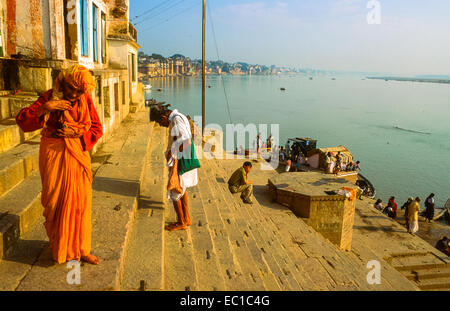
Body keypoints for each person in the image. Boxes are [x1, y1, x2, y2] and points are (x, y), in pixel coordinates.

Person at [16, 65, 103, 265]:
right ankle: (61, 246)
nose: (74, 94)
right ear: (62, 82)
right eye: (71, 88)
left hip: (77, 155)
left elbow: (97, 128)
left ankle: (82, 249)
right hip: (53, 153)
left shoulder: (84, 100)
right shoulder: (49, 97)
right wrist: (45, 109)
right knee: (55, 203)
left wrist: (78, 135)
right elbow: (23, 120)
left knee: (80, 204)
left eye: (79, 91)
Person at [151, 107, 199, 231]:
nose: (162, 126)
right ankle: (186, 218)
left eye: (160, 123)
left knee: (174, 191)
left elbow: (187, 142)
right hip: (183, 158)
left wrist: (174, 154)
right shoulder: (180, 116)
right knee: (181, 189)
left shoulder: (176, 120)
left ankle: (181, 221)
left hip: (180, 160)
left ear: (163, 117)